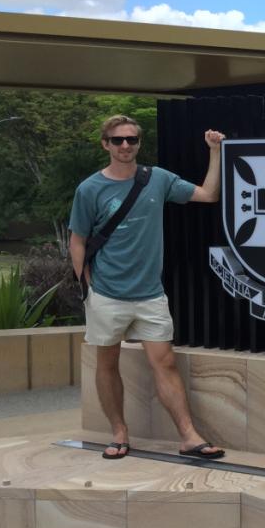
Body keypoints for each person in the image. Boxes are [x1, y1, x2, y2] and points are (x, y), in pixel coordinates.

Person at [69, 115, 227, 461]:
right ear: (105, 144)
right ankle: (119, 433)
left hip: (150, 294)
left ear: (139, 143)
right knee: (107, 364)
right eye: (117, 140)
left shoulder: (157, 180)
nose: (125, 146)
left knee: (165, 362)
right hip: (106, 294)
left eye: (131, 139)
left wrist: (214, 151)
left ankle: (188, 436)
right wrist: (87, 288)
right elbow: (77, 241)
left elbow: (208, 194)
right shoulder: (90, 189)